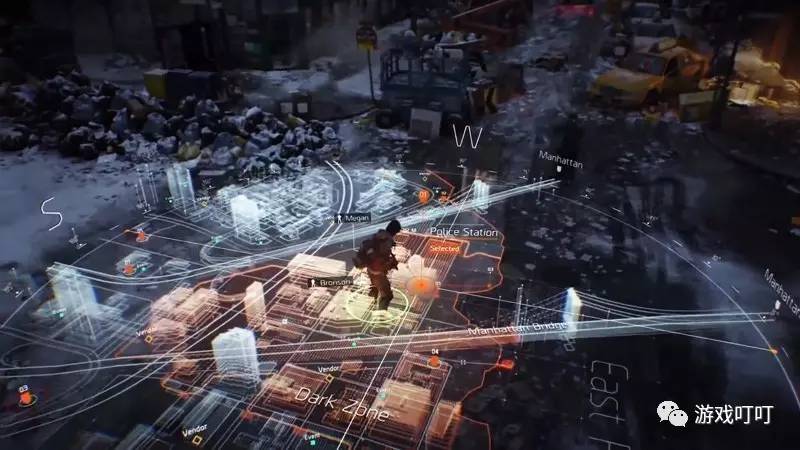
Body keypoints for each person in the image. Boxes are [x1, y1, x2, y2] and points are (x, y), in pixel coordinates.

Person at [353, 219, 402, 313]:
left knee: (374, 289)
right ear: (394, 231)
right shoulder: (387, 241)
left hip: (370, 269)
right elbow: (379, 260)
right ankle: (380, 316)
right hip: (377, 272)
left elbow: (375, 254)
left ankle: (370, 306)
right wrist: (390, 264)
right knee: (387, 295)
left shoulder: (378, 235)